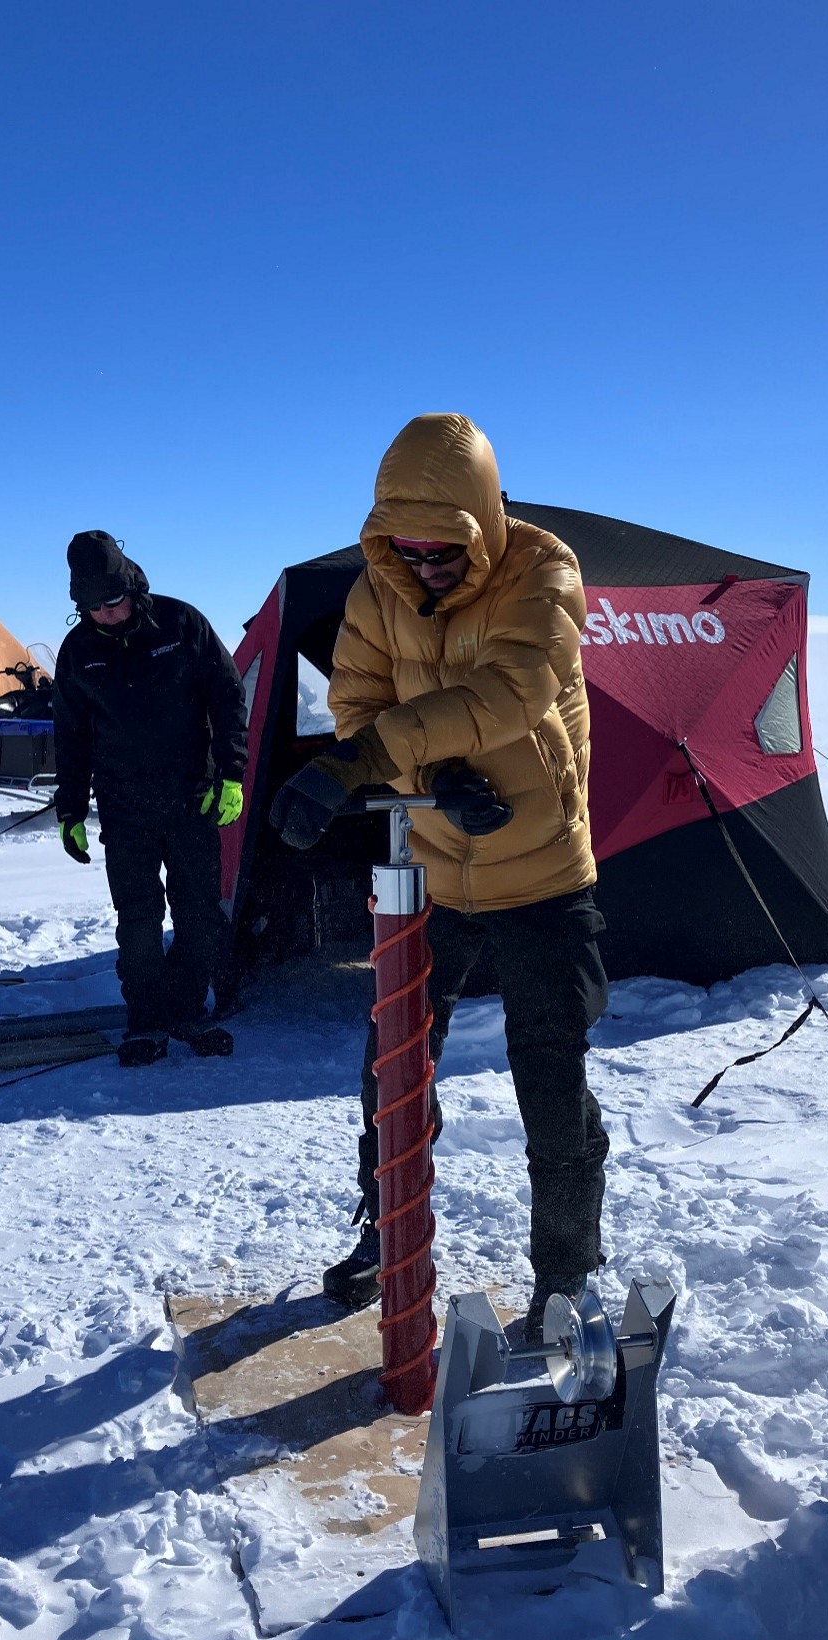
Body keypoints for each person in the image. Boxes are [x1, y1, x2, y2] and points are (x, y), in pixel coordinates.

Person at [269, 414, 609, 1339]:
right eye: (405, 548)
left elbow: (512, 693)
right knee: (394, 1068)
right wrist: (432, 779)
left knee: (552, 1079)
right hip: (430, 869)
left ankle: (566, 1275)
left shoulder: (544, 574)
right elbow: (356, 705)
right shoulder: (377, 593)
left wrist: (371, 759)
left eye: (443, 548)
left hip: (541, 876)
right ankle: (389, 1236)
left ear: (485, 523)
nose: (424, 567)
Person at [52, 530, 248, 1065]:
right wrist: (69, 809)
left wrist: (232, 773)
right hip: (125, 809)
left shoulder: (182, 623)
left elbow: (229, 698)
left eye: (112, 603)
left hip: (193, 801)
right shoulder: (77, 652)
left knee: (198, 916)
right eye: (92, 608)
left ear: (132, 588)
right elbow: (70, 736)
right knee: (137, 920)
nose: (106, 615)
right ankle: (145, 1019)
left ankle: (186, 1009)